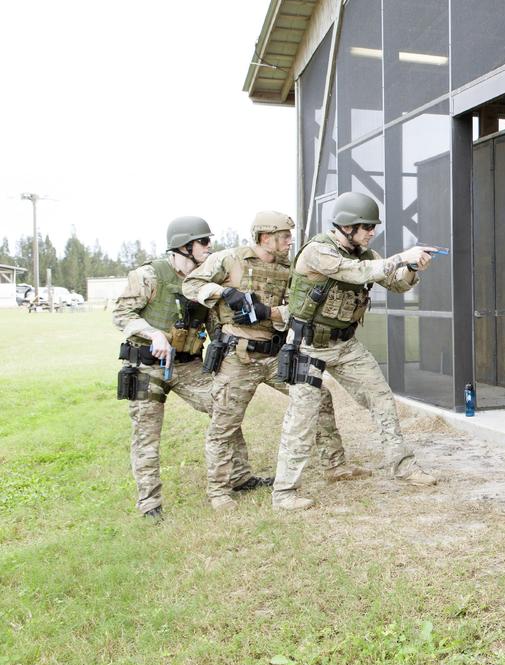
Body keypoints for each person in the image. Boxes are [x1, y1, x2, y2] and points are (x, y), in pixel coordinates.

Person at [182, 211, 363, 512]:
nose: (291, 241)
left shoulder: (290, 268)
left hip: (277, 354)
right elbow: (191, 285)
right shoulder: (230, 260)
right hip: (238, 357)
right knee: (224, 423)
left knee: (318, 396)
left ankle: (335, 465)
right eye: (285, 236)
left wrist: (270, 313)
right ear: (266, 237)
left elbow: (299, 307)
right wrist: (224, 292)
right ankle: (219, 491)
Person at [271, 192, 440, 511]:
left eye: (373, 227)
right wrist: (402, 257)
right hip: (308, 344)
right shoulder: (318, 252)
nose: (371, 232)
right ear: (346, 226)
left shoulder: (367, 254)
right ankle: (284, 491)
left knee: (381, 398)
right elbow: (354, 273)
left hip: (345, 345)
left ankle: (402, 466)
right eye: (366, 227)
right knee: (302, 416)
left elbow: (397, 283)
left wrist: (413, 268)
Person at [113, 216, 243, 519]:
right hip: (146, 364)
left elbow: (214, 325)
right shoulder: (149, 276)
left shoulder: (203, 280)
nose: (209, 247)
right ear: (184, 246)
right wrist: (153, 333)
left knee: (225, 405)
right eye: (203, 242)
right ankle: (149, 503)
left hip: (187, 366)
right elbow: (121, 313)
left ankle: (240, 476)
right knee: (146, 433)